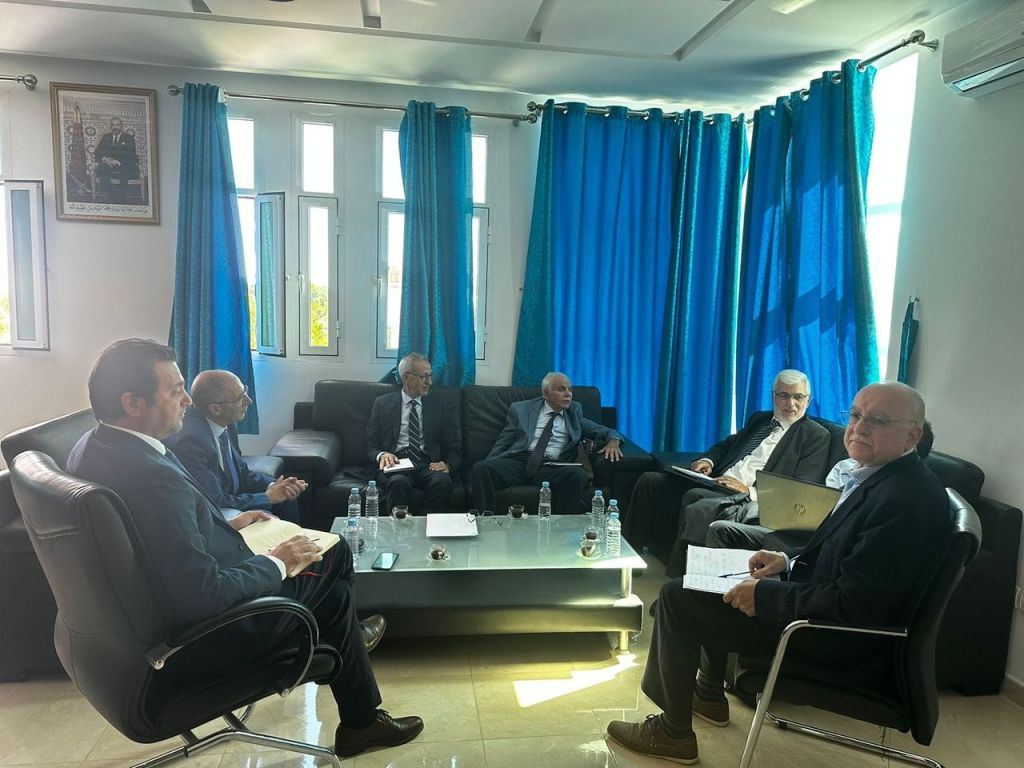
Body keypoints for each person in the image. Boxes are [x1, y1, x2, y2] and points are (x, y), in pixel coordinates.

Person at [66, 339, 423, 758]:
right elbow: (204, 594)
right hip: (213, 632)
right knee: (335, 559)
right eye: (176, 390)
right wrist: (276, 561)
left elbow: (162, 538)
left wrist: (222, 523)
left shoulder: (92, 448)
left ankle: (353, 674)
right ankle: (358, 705)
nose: (187, 401)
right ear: (132, 403)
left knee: (328, 570)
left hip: (136, 635)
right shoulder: (152, 477)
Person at [606, 382, 949, 765]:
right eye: (855, 415)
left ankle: (673, 734)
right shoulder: (880, 478)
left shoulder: (904, 502)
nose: (859, 427)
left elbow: (857, 604)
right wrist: (786, 562)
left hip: (830, 639)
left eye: (878, 420)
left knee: (677, 598)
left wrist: (765, 595)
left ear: (912, 436)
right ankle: (708, 694)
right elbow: (843, 554)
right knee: (704, 580)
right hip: (819, 612)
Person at [623, 369, 830, 558]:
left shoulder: (815, 436)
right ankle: (629, 555)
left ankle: (682, 572)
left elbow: (801, 487)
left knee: (696, 496)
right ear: (773, 396)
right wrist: (707, 461)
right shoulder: (760, 420)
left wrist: (749, 491)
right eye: (784, 396)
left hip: (744, 497)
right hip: (716, 481)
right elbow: (727, 445)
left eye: (798, 397)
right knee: (650, 481)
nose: (791, 403)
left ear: (808, 400)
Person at [706, 420, 934, 555]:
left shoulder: (903, 495)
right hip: (808, 528)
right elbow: (820, 504)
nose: (860, 431)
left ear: (910, 445)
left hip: (820, 544)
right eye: (855, 417)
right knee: (721, 529)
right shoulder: (845, 467)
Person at [470, 372, 623, 515]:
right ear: (546, 393)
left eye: (570, 390)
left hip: (550, 466)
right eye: (561, 389)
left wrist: (614, 440)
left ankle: (560, 529)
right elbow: (504, 441)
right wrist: (490, 462)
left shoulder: (574, 414)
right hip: (519, 461)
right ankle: (485, 522)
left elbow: (604, 431)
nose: (568, 394)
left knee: (577, 475)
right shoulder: (521, 410)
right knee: (481, 469)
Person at [165, 369, 305, 524]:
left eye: (245, 391)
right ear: (216, 409)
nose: (249, 401)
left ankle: (302, 538)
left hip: (229, 499)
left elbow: (241, 472)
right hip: (214, 513)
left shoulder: (226, 423)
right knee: (271, 510)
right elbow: (214, 502)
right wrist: (267, 497)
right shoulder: (190, 442)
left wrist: (275, 485)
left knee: (287, 495)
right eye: (240, 397)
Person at [366, 353, 461, 514]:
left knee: (442, 482)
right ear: (407, 378)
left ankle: (428, 527)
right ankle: (397, 529)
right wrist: (382, 455)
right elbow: (370, 445)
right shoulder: (382, 404)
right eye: (423, 377)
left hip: (427, 464)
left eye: (430, 376)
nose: (429, 382)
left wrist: (448, 464)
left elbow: (454, 445)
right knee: (398, 483)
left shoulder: (439, 406)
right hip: (397, 463)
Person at [93, 117, 139, 204]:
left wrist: (117, 162)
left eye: (117, 125)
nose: (115, 127)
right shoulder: (106, 137)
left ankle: (121, 197)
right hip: (108, 164)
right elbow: (97, 152)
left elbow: (131, 155)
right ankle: (111, 194)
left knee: (125, 172)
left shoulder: (128, 138)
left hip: (123, 164)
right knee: (101, 170)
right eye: (113, 125)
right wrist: (105, 159)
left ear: (121, 126)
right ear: (110, 127)